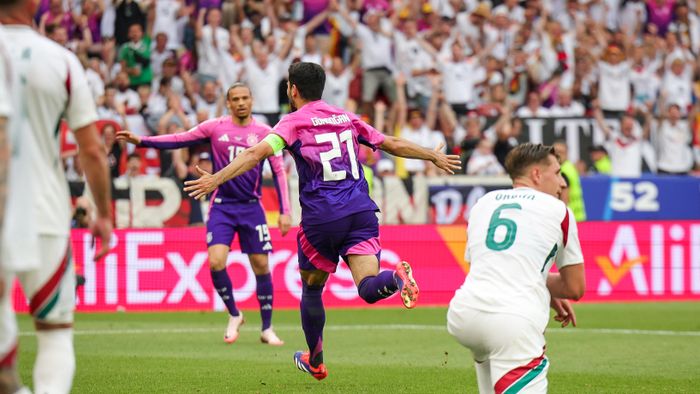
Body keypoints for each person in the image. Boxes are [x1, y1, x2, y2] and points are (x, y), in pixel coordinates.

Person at [183, 62, 461, 381]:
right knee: (369, 288)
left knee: (312, 288)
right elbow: (388, 143)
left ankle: (315, 360)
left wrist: (216, 178)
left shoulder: (292, 123)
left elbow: (254, 154)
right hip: (361, 212)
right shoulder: (347, 117)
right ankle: (396, 279)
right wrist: (432, 155)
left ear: (293, 90)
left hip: (322, 218)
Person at [116, 82, 292, 346]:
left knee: (261, 266)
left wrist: (285, 211)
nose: (241, 102)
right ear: (228, 103)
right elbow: (179, 139)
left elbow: (279, 171)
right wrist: (142, 141)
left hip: (252, 207)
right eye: (236, 99)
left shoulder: (265, 132)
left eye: (245, 98)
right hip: (222, 205)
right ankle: (235, 313)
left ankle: (267, 328)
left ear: (252, 100)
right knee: (215, 261)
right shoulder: (215, 127)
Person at [0, 0, 113, 391]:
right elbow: (93, 149)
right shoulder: (61, 61)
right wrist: (102, 214)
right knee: (55, 331)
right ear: (34, 4)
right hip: (45, 212)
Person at [447, 143, 585, 394]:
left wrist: (537, 281)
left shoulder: (483, 203)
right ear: (536, 174)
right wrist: (543, 284)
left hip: (464, 315)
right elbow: (574, 287)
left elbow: (491, 265)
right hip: (513, 320)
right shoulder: (559, 211)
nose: (563, 183)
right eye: (557, 173)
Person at [552, 141, 586, 222]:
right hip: (578, 215)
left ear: (566, 153)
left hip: (570, 217)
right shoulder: (570, 166)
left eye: (560, 152)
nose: (557, 154)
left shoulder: (562, 171)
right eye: (555, 151)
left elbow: (564, 197)